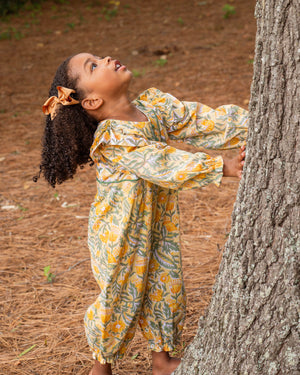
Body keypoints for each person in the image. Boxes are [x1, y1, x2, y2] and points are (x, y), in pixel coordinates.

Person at [36, 53, 248, 375]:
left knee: (165, 283)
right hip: (120, 233)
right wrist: (223, 166)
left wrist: (254, 124)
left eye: (98, 56)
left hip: (156, 222)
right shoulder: (112, 139)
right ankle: (100, 366)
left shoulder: (154, 108)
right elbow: (162, 164)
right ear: (91, 101)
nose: (105, 58)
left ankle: (161, 361)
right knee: (121, 296)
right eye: (93, 66)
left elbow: (199, 120)